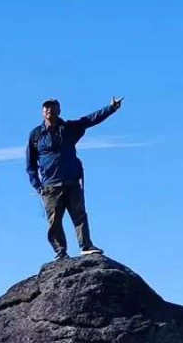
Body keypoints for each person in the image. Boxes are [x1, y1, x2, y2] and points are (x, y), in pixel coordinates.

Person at [26, 96, 123, 260]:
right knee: (54, 222)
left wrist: (111, 108)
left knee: (79, 215)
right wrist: (37, 186)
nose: (49, 110)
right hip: (50, 186)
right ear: (42, 112)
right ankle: (60, 252)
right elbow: (30, 164)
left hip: (71, 181)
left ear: (59, 110)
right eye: (46, 108)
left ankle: (86, 246)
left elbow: (89, 120)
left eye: (52, 107)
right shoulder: (36, 135)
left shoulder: (69, 128)